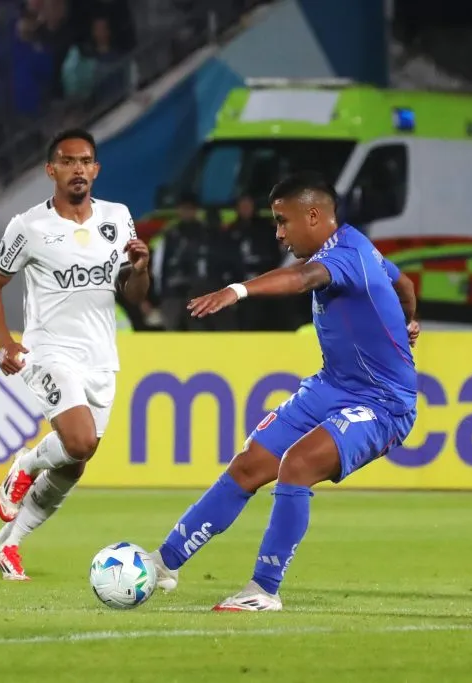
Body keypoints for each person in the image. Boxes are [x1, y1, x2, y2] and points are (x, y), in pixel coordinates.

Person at [148, 172, 420, 611]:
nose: (278, 232)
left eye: (282, 221)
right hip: (331, 387)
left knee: (297, 463)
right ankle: (164, 563)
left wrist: (237, 291)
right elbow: (403, 284)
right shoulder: (359, 243)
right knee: (250, 463)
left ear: (314, 215)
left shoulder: (345, 254)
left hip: (382, 402)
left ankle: (263, 590)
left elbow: (301, 279)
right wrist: (409, 322)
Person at [0, 128, 150, 580]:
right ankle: (25, 464)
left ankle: (7, 545)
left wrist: (141, 267)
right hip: (50, 350)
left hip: (101, 357)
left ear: (96, 169)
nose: (78, 169)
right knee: (78, 441)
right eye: (68, 161)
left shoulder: (118, 218)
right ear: (50, 169)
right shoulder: (29, 226)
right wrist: (6, 342)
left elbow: (133, 292)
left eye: (85, 161)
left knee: (75, 463)